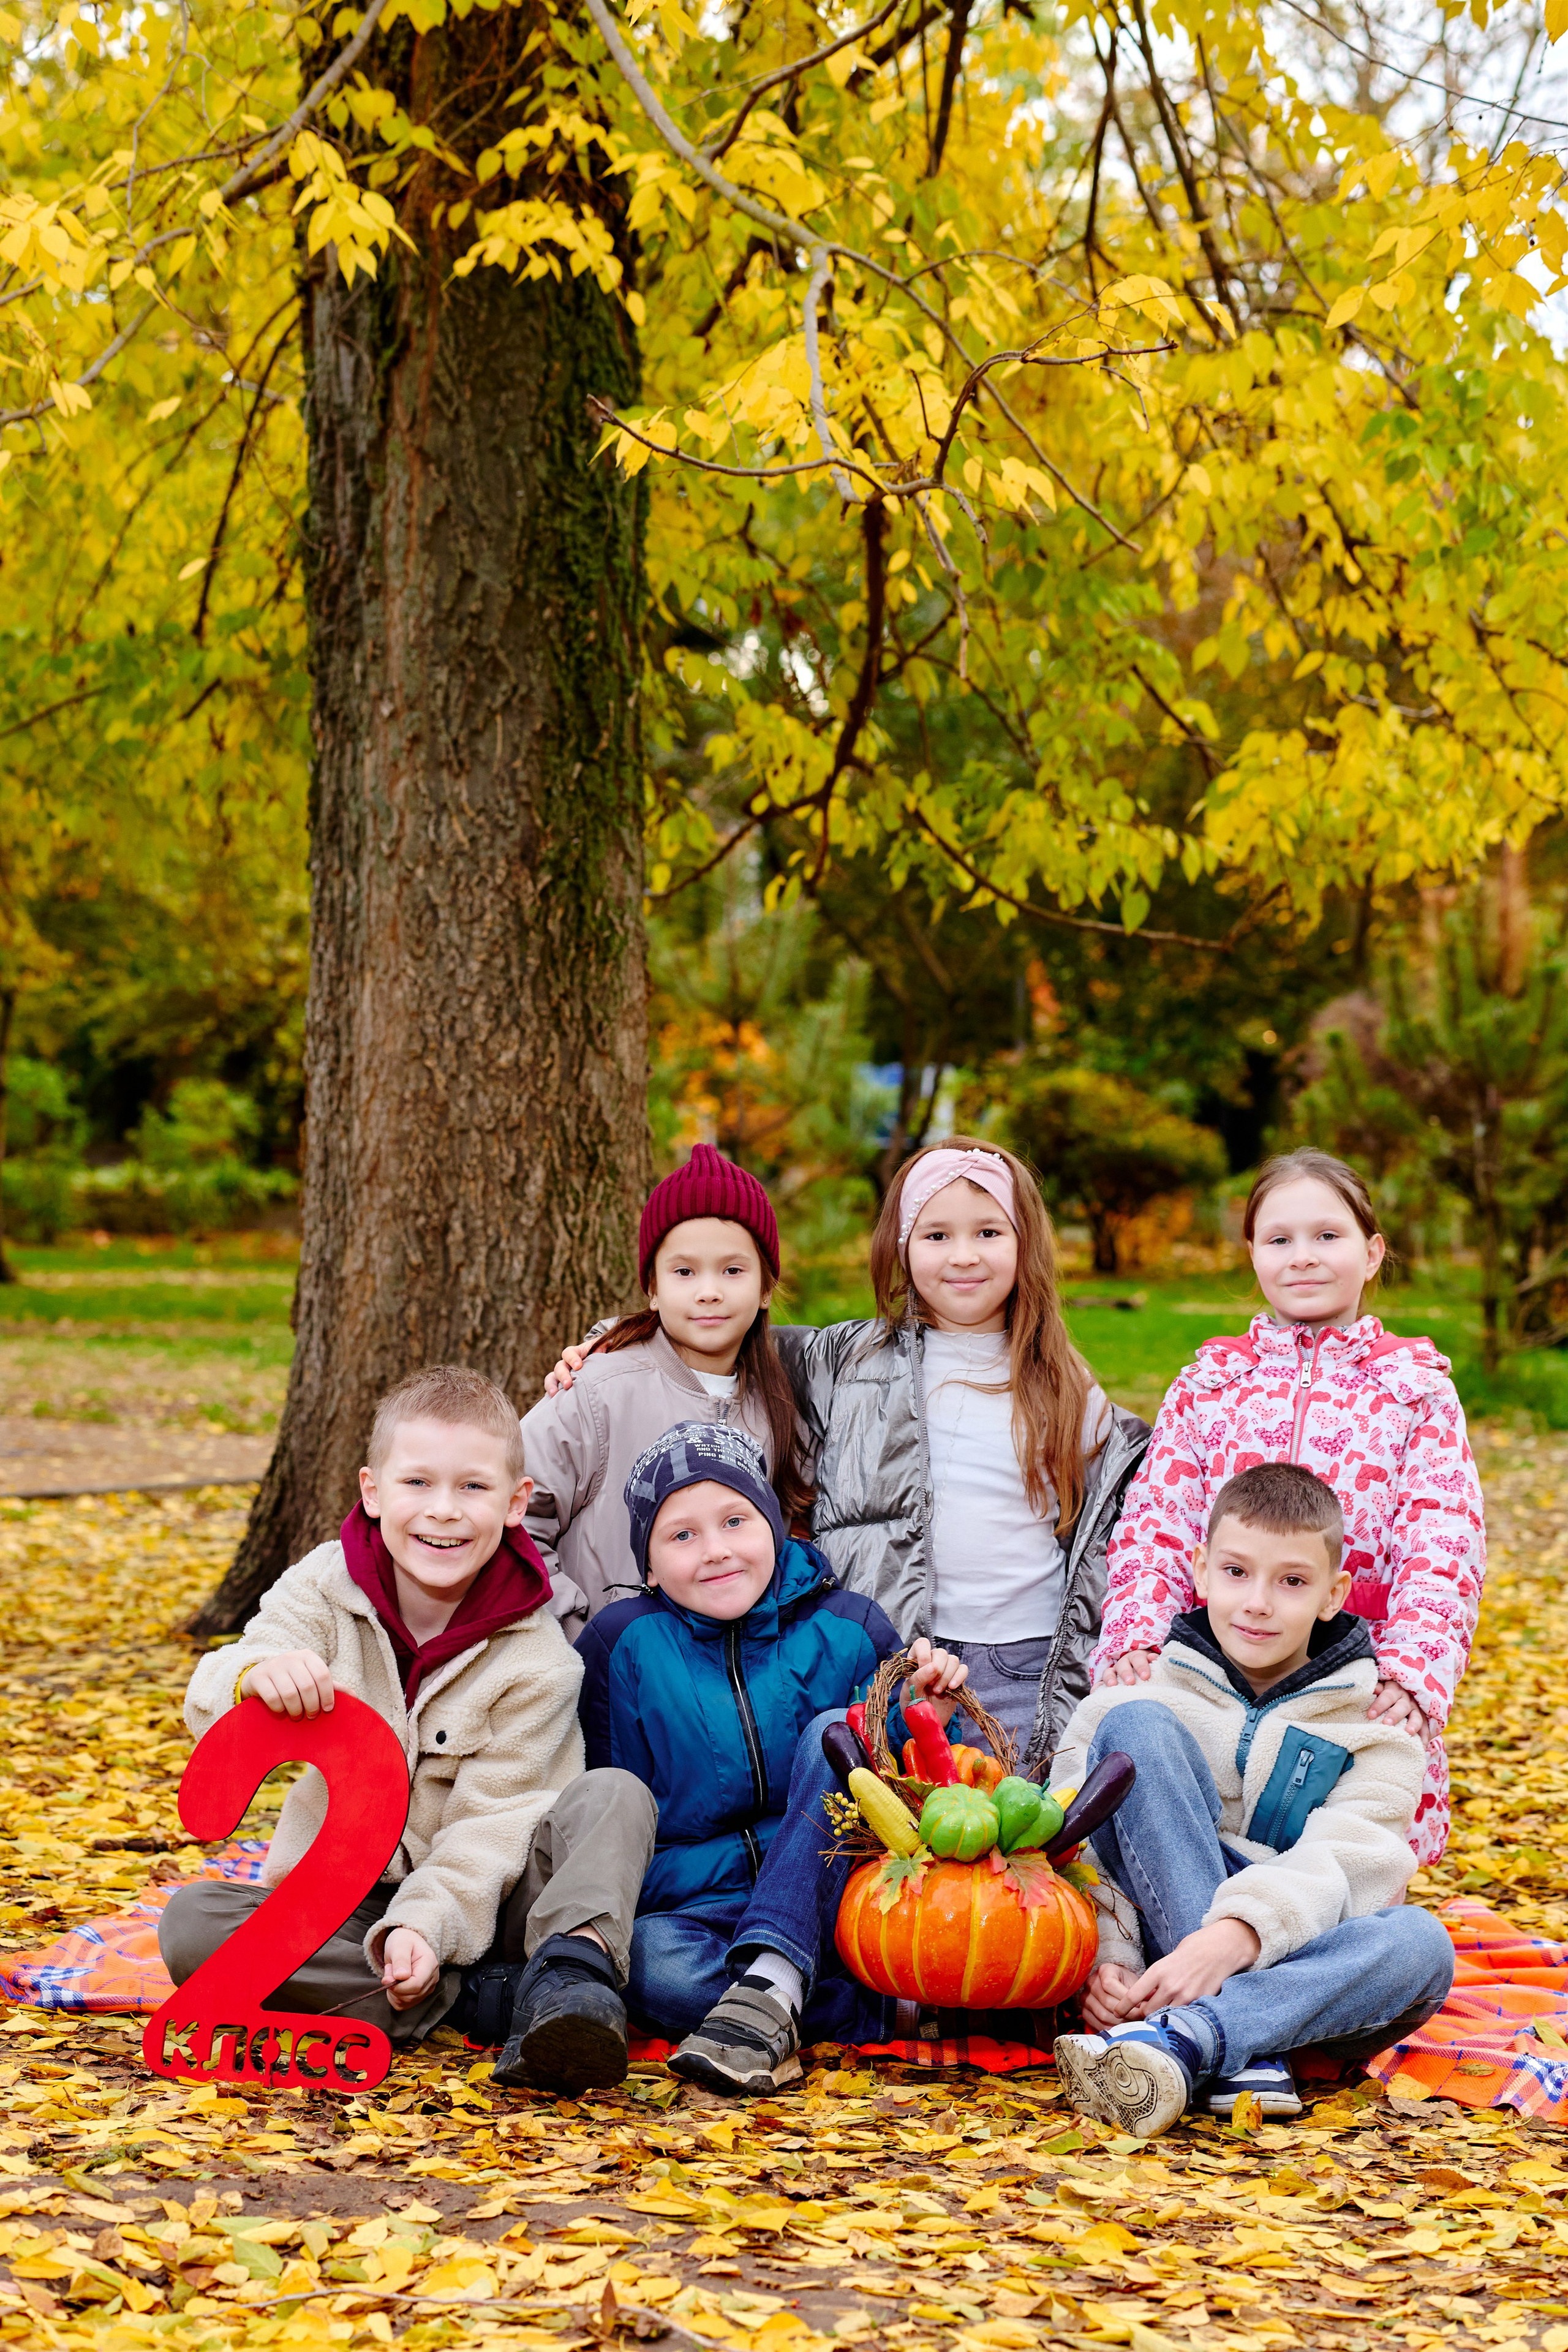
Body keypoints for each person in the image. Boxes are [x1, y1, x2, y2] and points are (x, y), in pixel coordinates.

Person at [549, 1139, 1149, 1768]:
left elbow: (1115, 1515)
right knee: (885, 1818)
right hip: (886, 1660)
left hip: (1024, 1659)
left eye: (989, 1232)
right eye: (936, 1235)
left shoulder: (1064, 1383)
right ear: (901, 1247)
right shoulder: (846, 1360)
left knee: (1012, 1818)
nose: (963, 1255)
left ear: (1026, 1243)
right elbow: (719, 1332)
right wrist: (614, 1342)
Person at [160, 1365, 657, 2095]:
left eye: (473, 1487)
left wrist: (424, 1927)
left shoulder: (538, 1657)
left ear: (516, 1503)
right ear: (373, 1491)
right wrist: (254, 1676)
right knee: (192, 1924)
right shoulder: (322, 1586)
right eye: (417, 1483)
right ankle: (479, 2001)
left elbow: (494, 1826)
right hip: (343, 1902)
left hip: (493, 1900)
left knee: (613, 1795)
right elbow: (219, 1685)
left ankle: (559, 1978)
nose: (443, 1511)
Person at [1096, 1147, 1485, 1863]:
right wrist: (1137, 1636)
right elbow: (1156, 1524)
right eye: (1279, 1239)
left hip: (1353, 1676)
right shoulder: (1210, 1387)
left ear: (1372, 1252)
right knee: (1205, 1848)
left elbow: (1443, 1544)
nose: (1302, 1256)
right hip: (1217, 1661)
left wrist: (1410, 1672)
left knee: (1341, 1860)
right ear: (1252, 1254)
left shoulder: (1413, 1392)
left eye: (1326, 1236)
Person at [1051, 1461, 1456, 2137]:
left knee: (1422, 1945)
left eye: (1292, 1582)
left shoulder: (1377, 1735)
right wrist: (1110, 1961)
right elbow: (1074, 1845)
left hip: (1299, 1970)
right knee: (1138, 1731)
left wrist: (1234, 1937)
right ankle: (1231, 2047)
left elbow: (1349, 1863)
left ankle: (1194, 2034)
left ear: (1333, 1594)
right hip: (1157, 1955)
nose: (1258, 1603)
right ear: (1201, 1570)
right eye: (1236, 1572)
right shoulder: (1127, 1699)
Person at [575, 1419, 968, 2095]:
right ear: (649, 1565)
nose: (716, 1551)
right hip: (700, 1909)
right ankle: (846, 2005)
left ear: (776, 1526)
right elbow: (617, 1813)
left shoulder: (849, 1626)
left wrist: (922, 1715)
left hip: (835, 1898)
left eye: (735, 1521)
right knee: (649, 1966)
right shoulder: (622, 1645)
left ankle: (772, 1985)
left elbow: (901, 1787)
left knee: (833, 1732)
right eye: (681, 1536)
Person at [521, 1143, 812, 1635]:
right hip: (599, 1669)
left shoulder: (782, 1407)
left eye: (733, 1270)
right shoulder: (597, 1391)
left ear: (766, 1288)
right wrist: (578, 1632)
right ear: (653, 1289)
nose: (709, 1291)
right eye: (684, 1272)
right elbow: (511, 1513)